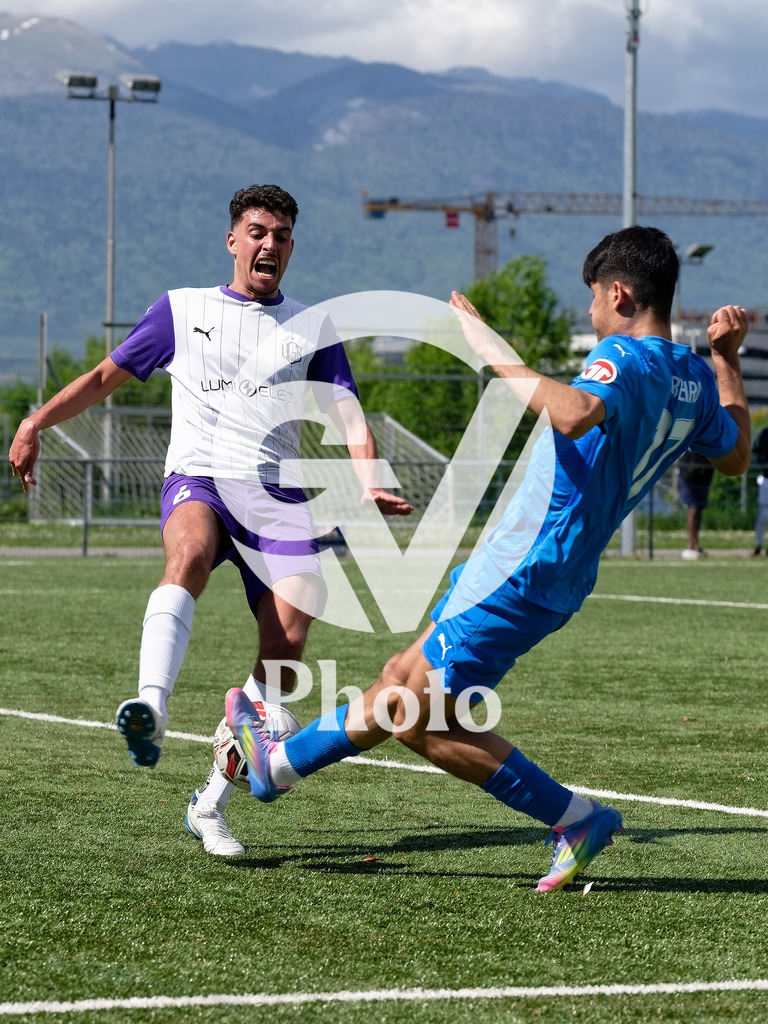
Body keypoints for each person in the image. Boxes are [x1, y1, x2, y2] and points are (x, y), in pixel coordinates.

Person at [224, 225, 751, 892]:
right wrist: (725, 360)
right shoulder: (692, 377)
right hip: (553, 570)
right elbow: (736, 455)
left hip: (524, 568)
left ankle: (575, 818)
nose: (591, 313)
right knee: (399, 680)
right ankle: (274, 768)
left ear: (618, 294)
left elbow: (574, 412)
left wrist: (488, 347)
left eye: (593, 298)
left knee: (410, 715)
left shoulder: (625, 356)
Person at [8, 183, 412, 857]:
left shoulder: (312, 327)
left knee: (285, 653)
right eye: (258, 232)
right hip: (201, 478)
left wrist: (369, 474)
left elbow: (346, 410)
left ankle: (209, 804)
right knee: (189, 552)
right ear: (233, 241)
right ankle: (151, 706)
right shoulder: (182, 309)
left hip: (276, 497)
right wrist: (35, 421)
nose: (270, 244)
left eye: (281, 236)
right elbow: (105, 377)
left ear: (291, 247)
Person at [676, 449, 714, 559]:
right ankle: (694, 544)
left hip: (702, 479)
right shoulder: (692, 451)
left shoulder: (710, 450)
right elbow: (691, 468)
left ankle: (692, 543)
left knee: (698, 511)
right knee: (693, 509)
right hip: (687, 479)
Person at [753, 472, 768, 556]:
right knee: (759, 527)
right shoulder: (762, 479)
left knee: (760, 526)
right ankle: (758, 546)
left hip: (763, 506)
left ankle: (759, 546)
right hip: (763, 506)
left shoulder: (761, 480)